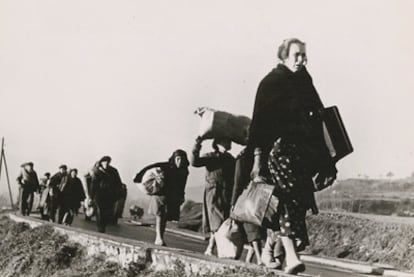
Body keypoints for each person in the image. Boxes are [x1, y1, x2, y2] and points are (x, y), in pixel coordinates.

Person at [247, 38, 337, 274]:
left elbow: (318, 116)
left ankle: (268, 249)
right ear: (283, 56)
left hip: (302, 152)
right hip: (279, 151)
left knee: (299, 202)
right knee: (288, 199)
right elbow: (258, 124)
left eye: (303, 55)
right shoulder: (270, 83)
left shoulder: (304, 80)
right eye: (296, 55)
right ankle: (291, 256)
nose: (301, 60)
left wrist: (327, 160)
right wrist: (257, 158)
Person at [133, 150, 189, 246]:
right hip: (161, 195)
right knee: (160, 215)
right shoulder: (166, 166)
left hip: (172, 196)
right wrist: (138, 176)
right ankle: (159, 238)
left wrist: (182, 195)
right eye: (178, 159)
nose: (179, 161)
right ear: (174, 159)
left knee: (165, 217)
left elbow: (182, 184)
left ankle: (160, 237)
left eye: (181, 159)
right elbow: (150, 167)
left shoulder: (184, 171)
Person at [190, 137, 235, 256]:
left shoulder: (230, 159)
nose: (229, 143)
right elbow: (195, 162)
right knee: (217, 221)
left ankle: (212, 247)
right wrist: (197, 145)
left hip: (227, 194)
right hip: (214, 193)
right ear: (218, 143)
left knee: (223, 221)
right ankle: (212, 247)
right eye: (226, 141)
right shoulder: (211, 157)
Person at [90, 156, 123, 233]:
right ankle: (100, 227)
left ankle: (103, 225)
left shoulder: (114, 171)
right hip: (99, 194)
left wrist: (118, 193)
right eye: (104, 162)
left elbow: (118, 182)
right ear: (101, 163)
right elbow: (93, 184)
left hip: (110, 194)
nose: (106, 163)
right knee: (100, 211)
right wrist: (91, 196)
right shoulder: (97, 171)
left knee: (108, 212)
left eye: (108, 162)